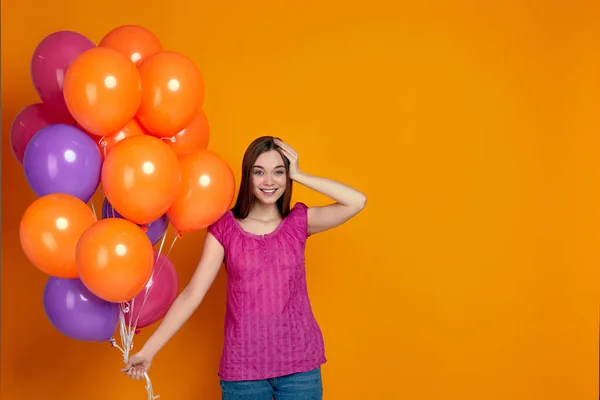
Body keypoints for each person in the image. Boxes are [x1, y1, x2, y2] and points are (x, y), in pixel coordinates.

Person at [122, 136, 367, 399]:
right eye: (259, 172)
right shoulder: (225, 227)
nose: (269, 181)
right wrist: (148, 351)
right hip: (244, 372)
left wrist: (300, 174)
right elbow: (193, 294)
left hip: (300, 368)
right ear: (247, 176)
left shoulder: (299, 222)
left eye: (279, 172)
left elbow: (356, 201)